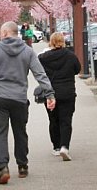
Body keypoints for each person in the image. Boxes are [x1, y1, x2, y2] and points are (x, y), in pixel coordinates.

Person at [0, 21, 56, 185]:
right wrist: (50, 94)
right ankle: (22, 166)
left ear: (5, 33)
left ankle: (3, 167)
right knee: (20, 132)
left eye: (0, 32)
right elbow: (40, 74)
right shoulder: (28, 51)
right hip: (19, 99)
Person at [38, 33, 81, 161]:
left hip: (50, 93)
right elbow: (77, 70)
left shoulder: (43, 58)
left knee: (53, 120)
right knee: (66, 120)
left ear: (51, 42)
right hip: (67, 92)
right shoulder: (70, 56)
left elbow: (38, 71)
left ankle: (56, 147)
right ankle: (64, 146)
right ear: (63, 42)